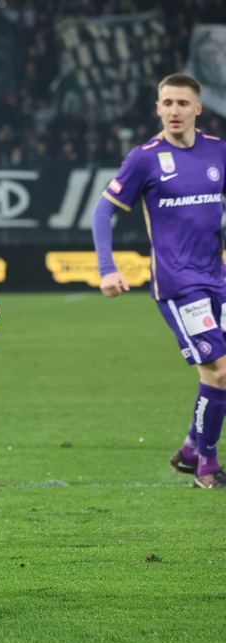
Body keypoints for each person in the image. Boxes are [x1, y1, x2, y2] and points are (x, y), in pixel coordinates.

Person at [92, 72, 226, 489]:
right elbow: (102, 211)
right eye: (166, 103)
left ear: (198, 109)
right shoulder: (144, 158)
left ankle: (189, 448)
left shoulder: (218, 152)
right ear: (157, 108)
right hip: (177, 283)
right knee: (218, 372)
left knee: (222, 373)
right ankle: (206, 465)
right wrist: (106, 268)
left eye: (182, 103)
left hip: (217, 276)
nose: (174, 111)